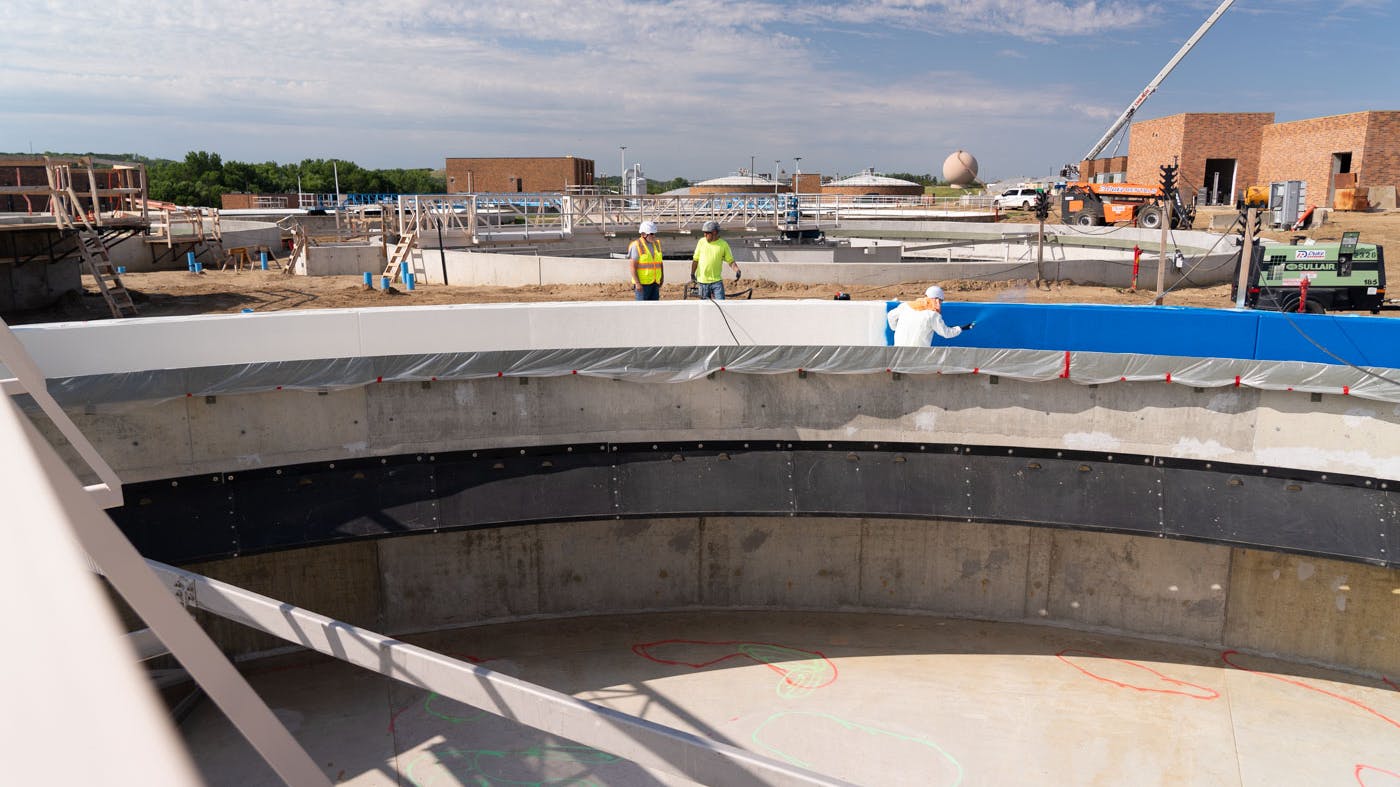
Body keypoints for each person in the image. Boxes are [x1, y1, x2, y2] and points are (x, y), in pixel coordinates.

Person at [886, 285, 974, 347]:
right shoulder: (932, 315)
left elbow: (890, 315)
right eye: (940, 301)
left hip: (898, 354)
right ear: (936, 300)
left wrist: (895, 328)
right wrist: (961, 328)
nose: (939, 304)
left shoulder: (905, 306)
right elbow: (946, 333)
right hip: (918, 357)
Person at [690, 220, 740, 300]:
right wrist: (692, 274)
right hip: (702, 283)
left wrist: (737, 270)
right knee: (705, 308)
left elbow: (730, 261)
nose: (704, 235)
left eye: (707, 233)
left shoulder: (723, 245)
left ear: (714, 232)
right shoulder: (701, 242)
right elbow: (695, 260)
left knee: (721, 305)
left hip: (717, 283)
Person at [628, 221, 664, 300]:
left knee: (654, 309)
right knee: (642, 310)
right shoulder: (636, 245)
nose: (654, 236)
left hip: (655, 283)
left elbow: (660, 263)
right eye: (651, 234)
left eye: (654, 234)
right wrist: (637, 283)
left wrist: (662, 278)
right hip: (642, 285)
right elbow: (632, 267)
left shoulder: (656, 244)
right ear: (644, 234)